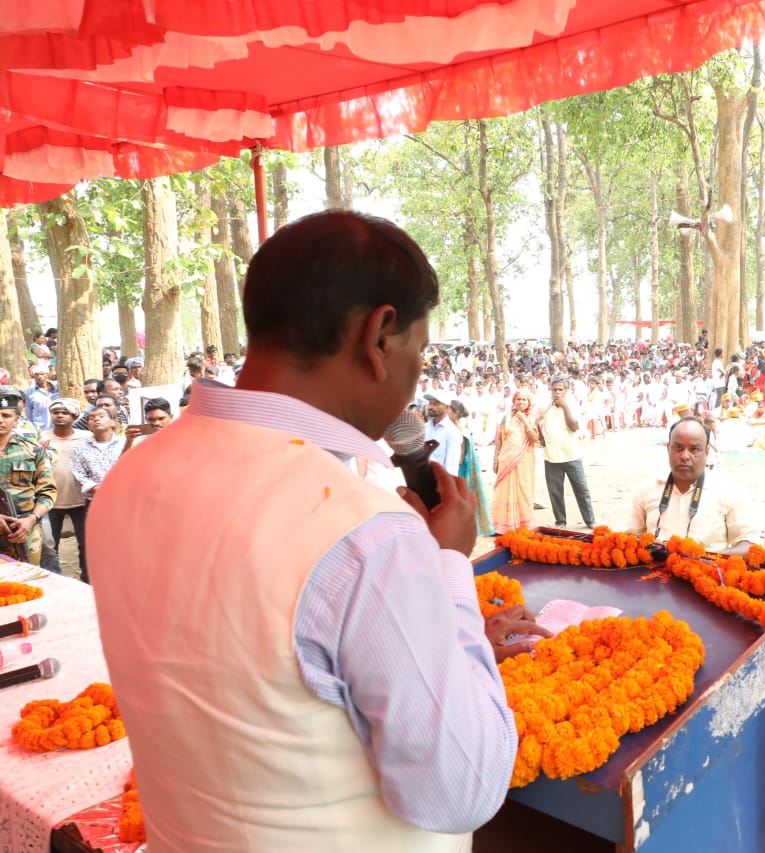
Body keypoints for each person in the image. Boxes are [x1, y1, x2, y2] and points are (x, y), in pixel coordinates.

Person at [87, 211, 516, 851]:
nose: (415, 378)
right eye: (419, 353)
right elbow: (461, 790)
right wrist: (448, 568)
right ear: (379, 336)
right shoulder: (365, 534)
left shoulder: (130, 475)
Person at [626, 416, 759, 554]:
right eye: (678, 447)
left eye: (694, 449)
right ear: (668, 449)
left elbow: (749, 545)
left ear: (706, 452)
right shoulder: (646, 490)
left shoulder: (729, 491)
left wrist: (703, 559)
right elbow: (632, 537)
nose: (685, 456)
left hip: (706, 572)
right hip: (653, 574)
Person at [0, 387, 55, 564]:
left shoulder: (33, 450)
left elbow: (47, 492)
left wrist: (31, 520)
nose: (0, 420)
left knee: (27, 580)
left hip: (24, 530)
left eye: (6, 416)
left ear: (16, 420)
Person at [539, 375, 596, 530]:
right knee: (555, 492)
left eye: (560, 390)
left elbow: (574, 426)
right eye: (554, 389)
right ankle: (561, 521)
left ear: (566, 390)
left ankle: (590, 520)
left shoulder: (572, 405)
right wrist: (541, 436)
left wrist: (565, 407)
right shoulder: (546, 406)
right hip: (551, 456)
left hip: (571, 455)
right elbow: (536, 421)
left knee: (581, 490)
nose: (557, 392)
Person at [42, 398, 90, 577]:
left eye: (65, 413)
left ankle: (87, 581)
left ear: (74, 416)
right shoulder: (42, 438)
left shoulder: (86, 437)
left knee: (86, 544)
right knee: (49, 545)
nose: (60, 415)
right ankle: (54, 580)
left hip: (81, 500)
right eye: (56, 412)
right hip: (50, 502)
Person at [491, 389, 540, 534]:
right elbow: (499, 439)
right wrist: (495, 459)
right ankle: (501, 526)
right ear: (514, 401)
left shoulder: (532, 418)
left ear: (529, 402)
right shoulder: (506, 418)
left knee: (523, 489)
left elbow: (534, 439)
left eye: (524, 400)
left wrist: (524, 421)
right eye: (518, 399)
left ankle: (523, 524)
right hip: (506, 459)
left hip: (524, 460)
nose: (521, 402)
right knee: (504, 489)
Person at [450, 399, 494, 538]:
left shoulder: (460, 432)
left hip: (459, 471)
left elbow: (460, 457)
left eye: (448, 410)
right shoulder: (455, 429)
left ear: (455, 413)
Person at [422, 393, 463, 476]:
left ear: (447, 407)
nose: (430, 407)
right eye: (430, 403)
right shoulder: (424, 428)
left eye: (435, 404)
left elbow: (452, 467)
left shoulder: (452, 432)